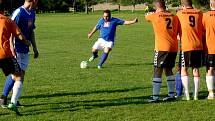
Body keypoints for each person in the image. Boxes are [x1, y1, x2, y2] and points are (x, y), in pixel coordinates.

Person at [0, 0, 39, 108]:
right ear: (33, 1)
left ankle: (9, 99)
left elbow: (31, 31)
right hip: (15, 48)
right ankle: (8, 100)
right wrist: (12, 47)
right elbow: (9, 28)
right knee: (18, 75)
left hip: (25, 48)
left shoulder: (32, 13)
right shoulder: (19, 12)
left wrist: (35, 48)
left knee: (19, 74)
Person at [145, 0, 180, 102]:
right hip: (173, 47)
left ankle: (155, 96)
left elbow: (146, 17)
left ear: (157, 6)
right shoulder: (174, 16)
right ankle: (171, 95)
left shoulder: (155, 15)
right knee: (168, 69)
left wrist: (151, 11)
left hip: (162, 47)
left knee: (157, 69)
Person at [177, 0, 203, 100]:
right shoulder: (199, 12)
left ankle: (187, 95)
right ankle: (195, 95)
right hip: (198, 45)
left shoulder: (180, 13)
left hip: (187, 45)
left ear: (183, 5)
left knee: (184, 69)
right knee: (195, 69)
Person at [202, 0, 215, 99]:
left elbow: (202, 31)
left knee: (210, 69)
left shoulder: (205, 15)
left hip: (210, 47)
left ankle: (211, 93)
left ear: (210, 4)